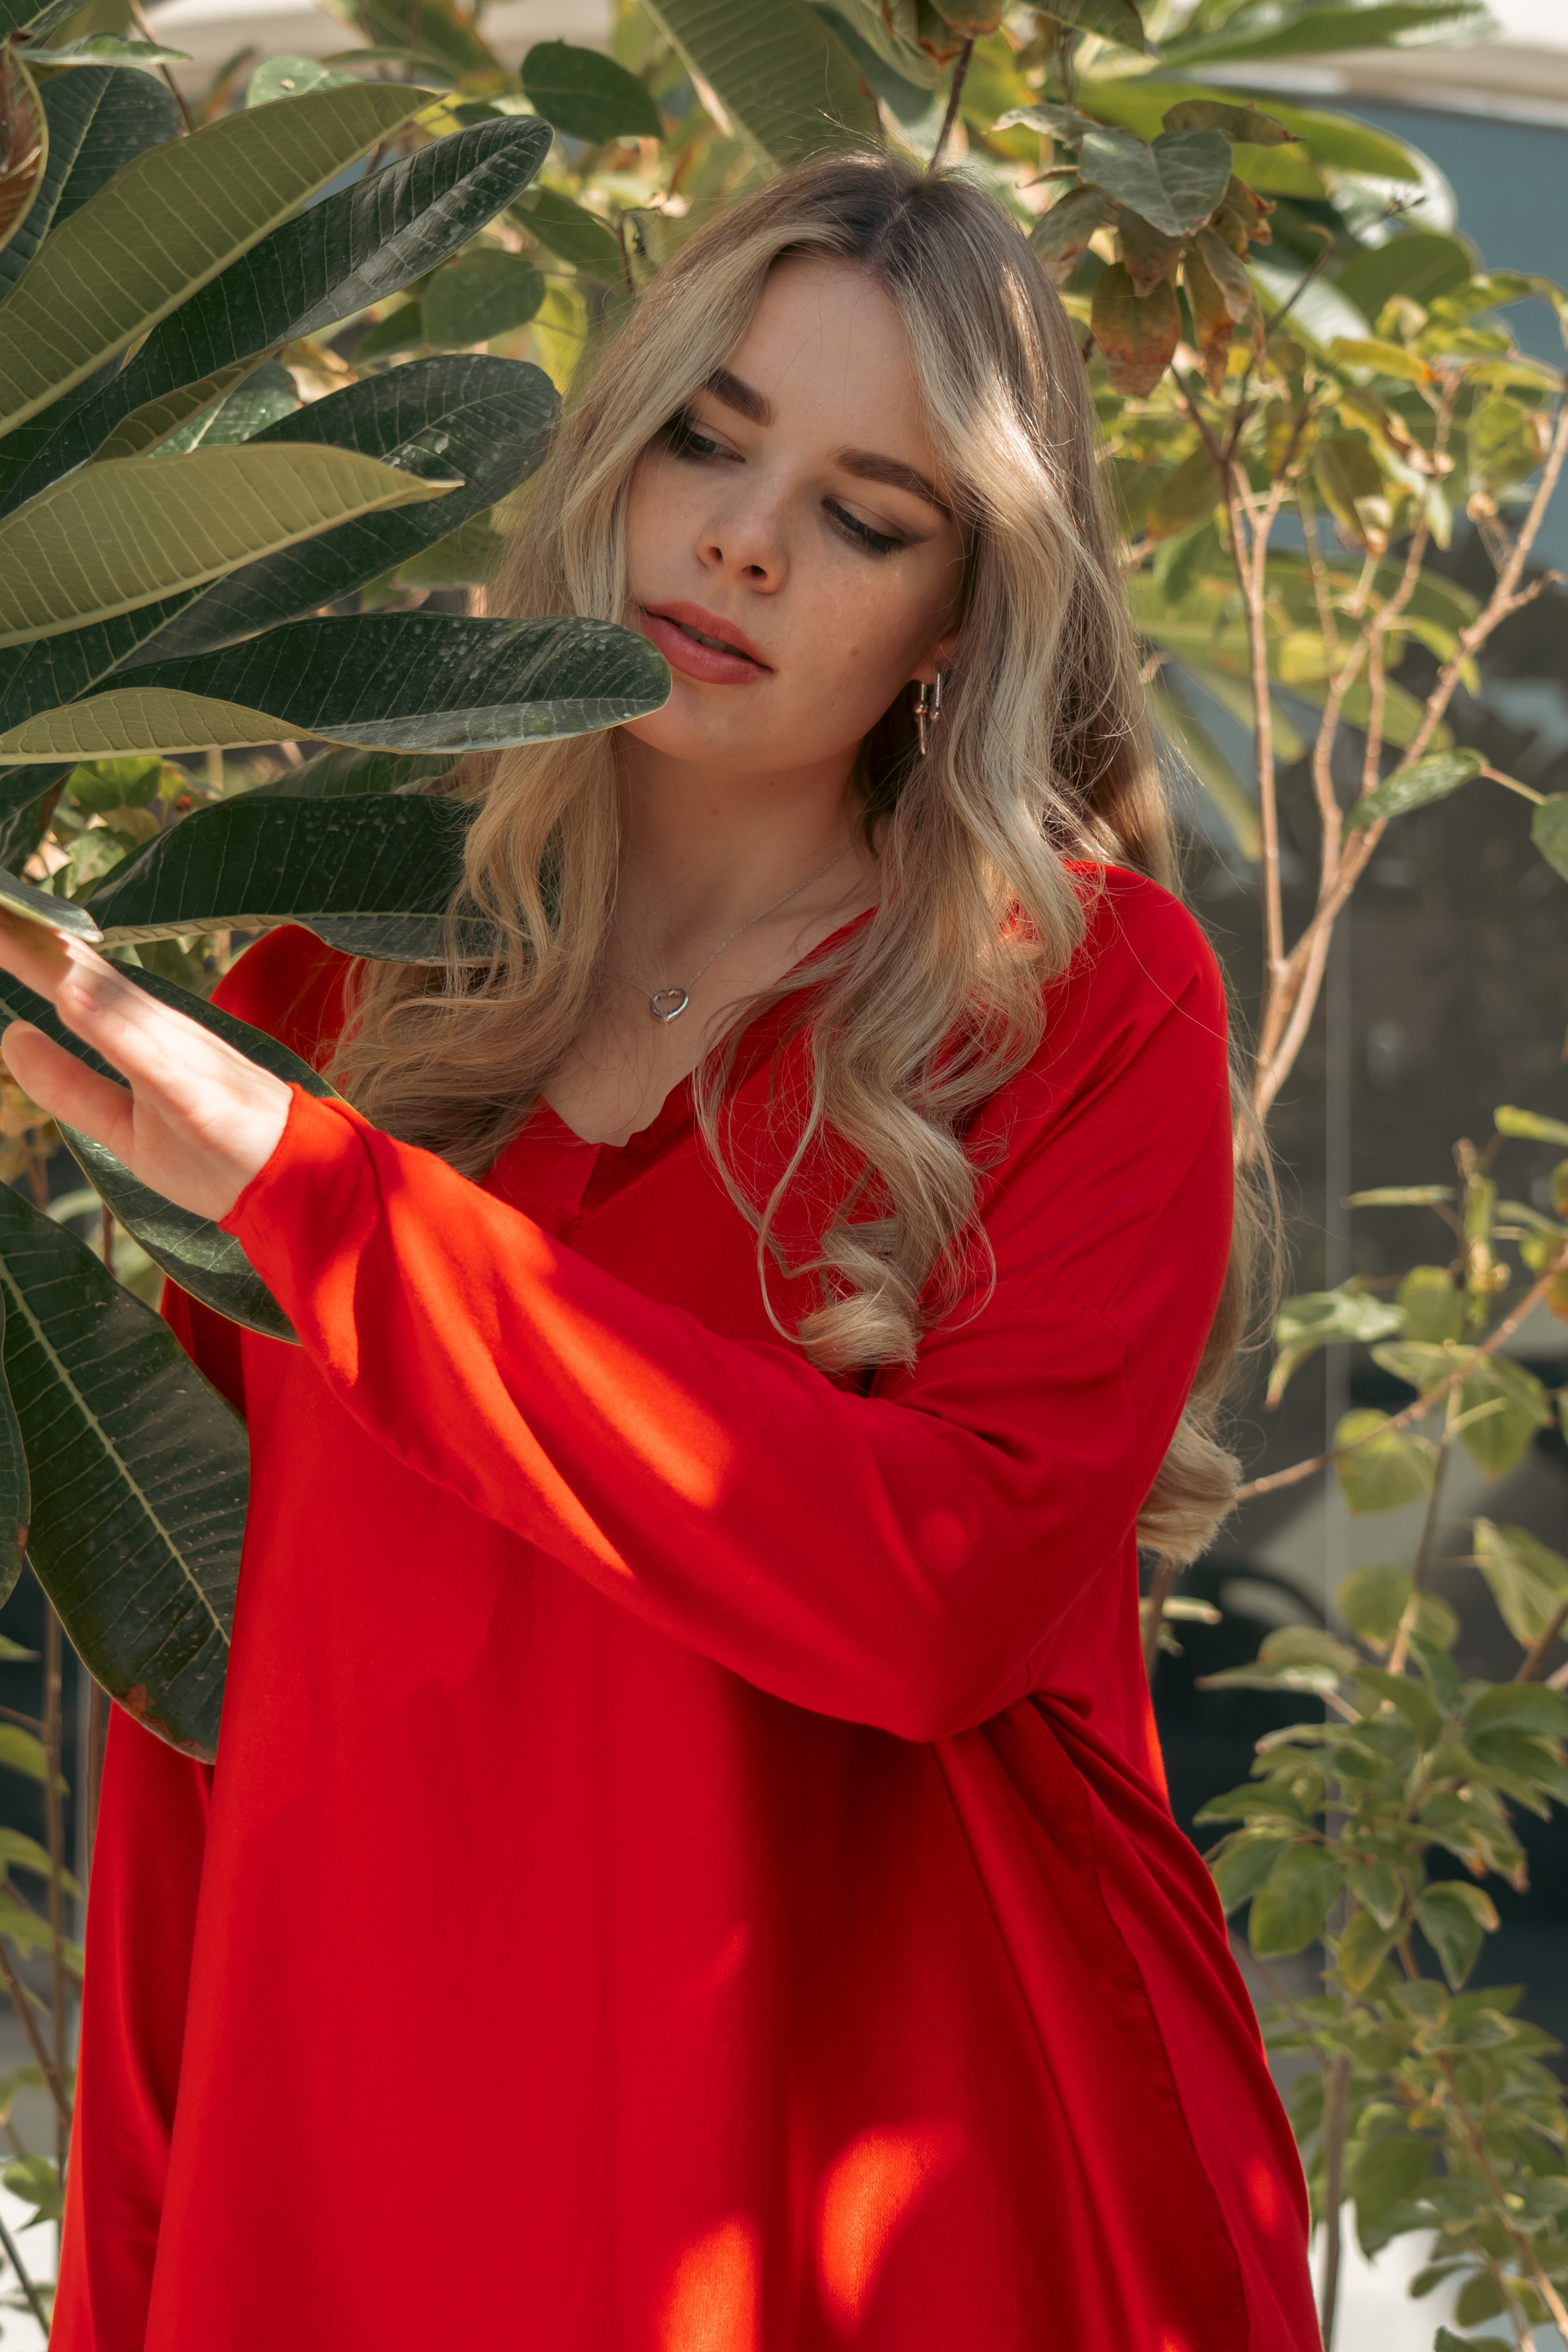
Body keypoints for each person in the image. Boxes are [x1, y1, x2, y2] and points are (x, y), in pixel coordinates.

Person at [10, 152, 1320, 2349]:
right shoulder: (344, 976)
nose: (744, 542)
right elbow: (199, 1729)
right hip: (368, 2196)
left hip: (881, 2225)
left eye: (866, 512)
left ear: (961, 616)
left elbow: (933, 1601)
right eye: (710, 438)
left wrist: (332, 1214)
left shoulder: (1084, 1004)